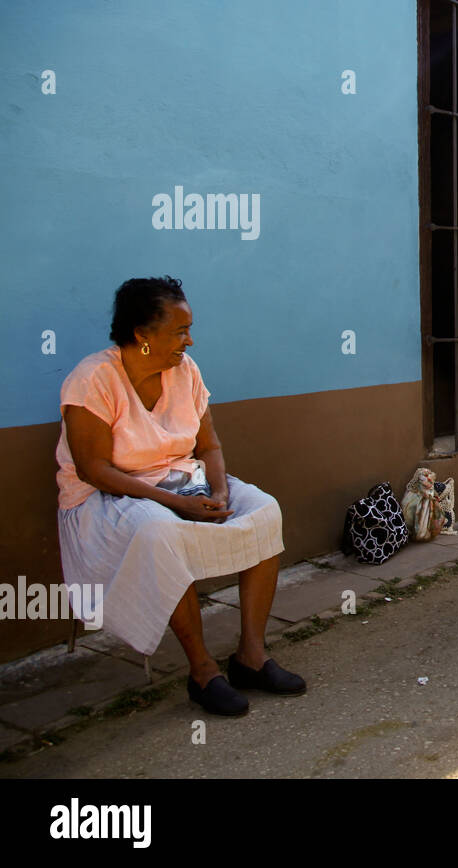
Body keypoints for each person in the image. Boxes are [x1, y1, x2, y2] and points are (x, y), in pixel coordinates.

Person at [56, 277, 305, 716]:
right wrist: (177, 503)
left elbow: (208, 446)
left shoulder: (186, 371)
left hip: (183, 483)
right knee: (161, 533)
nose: (189, 341)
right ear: (143, 336)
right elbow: (94, 470)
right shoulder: (93, 379)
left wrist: (220, 491)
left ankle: (250, 655)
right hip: (108, 497)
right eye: (179, 331)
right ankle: (203, 671)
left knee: (264, 511)